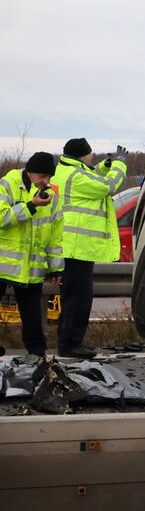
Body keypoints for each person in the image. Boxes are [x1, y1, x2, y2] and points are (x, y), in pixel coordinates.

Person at [52, 138, 127, 359]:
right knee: (79, 299)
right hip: (77, 248)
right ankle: (70, 345)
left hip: (72, 248)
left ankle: (67, 342)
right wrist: (120, 165)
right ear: (81, 156)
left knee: (71, 298)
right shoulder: (76, 177)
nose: (93, 156)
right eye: (90, 154)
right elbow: (107, 186)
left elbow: (93, 175)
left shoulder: (67, 171)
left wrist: (107, 164)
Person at [0, 152, 64, 364]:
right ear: (29, 171)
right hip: (3, 262)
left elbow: (56, 236)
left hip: (32, 266)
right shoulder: (8, 184)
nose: (45, 181)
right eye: (41, 176)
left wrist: (56, 267)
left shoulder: (51, 198)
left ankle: (36, 354)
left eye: (48, 177)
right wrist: (30, 206)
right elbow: (2, 217)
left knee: (32, 315)